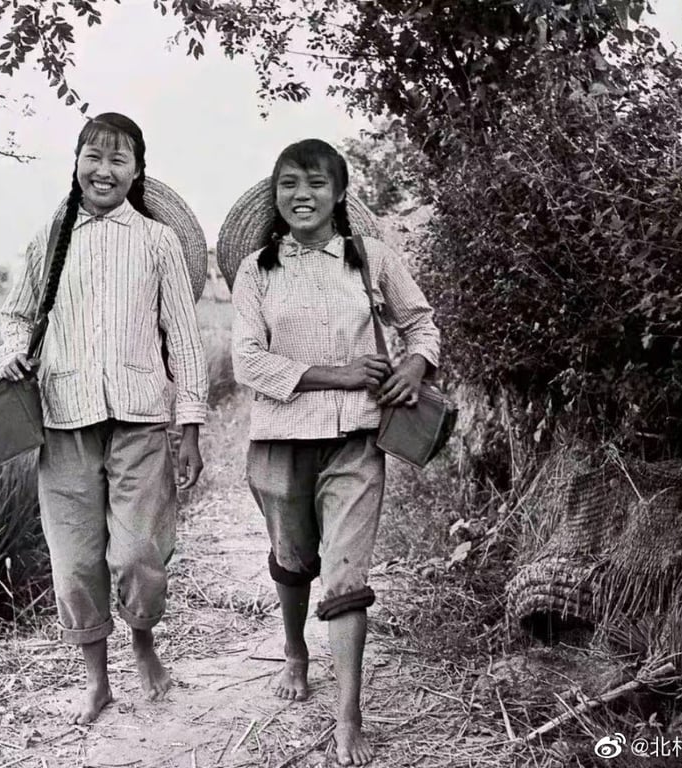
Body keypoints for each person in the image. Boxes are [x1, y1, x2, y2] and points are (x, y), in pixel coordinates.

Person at [229, 139, 440, 765]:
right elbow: (247, 360)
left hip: (356, 442)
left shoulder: (371, 258)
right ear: (275, 195)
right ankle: (295, 650)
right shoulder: (255, 271)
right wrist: (337, 373)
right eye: (290, 182)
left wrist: (414, 364)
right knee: (293, 559)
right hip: (279, 441)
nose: (303, 195)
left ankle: (348, 715)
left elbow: (422, 321)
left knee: (346, 575)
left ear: (339, 194)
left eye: (318, 183)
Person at [0, 112, 208, 724]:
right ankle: (97, 679)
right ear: (77, 162)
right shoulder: (50, 236)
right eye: (94, 156)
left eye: (119, 160)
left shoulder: (158, 241)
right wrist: (12, 354)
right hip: (63, 422)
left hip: (141, 420)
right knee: (76, 561)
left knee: (140, 551)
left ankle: (143, 641)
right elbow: (15, 315)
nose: (104, 170)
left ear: (138, 171)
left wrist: (188, 427)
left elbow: (185, 342)